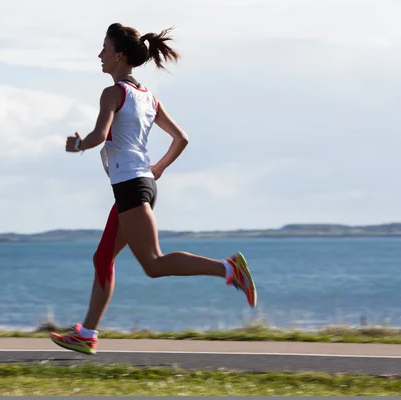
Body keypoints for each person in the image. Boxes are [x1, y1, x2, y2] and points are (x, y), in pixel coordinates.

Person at [50, 22, 257, 355]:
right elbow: (181, 138)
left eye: (104, 48)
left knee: (154, 263)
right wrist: (157, 168)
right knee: (103, 258)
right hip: (137, 184)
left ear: (119, 55)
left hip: (132, 186)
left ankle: (229, 269)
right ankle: (86, 333)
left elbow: (100, 135)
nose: (99, 54)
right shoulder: (148, 98)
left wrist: (77, 145)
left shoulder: (113, 93)